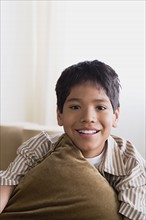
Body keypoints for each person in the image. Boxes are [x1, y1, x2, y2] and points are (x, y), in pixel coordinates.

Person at [0, 60, 146, 219]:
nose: (88, 118)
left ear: (115, 116)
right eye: (75, 107)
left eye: (100, 107)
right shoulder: (41, 146)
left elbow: (135, 213)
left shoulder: (129, 161)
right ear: (59, 115)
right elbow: (8, 180)